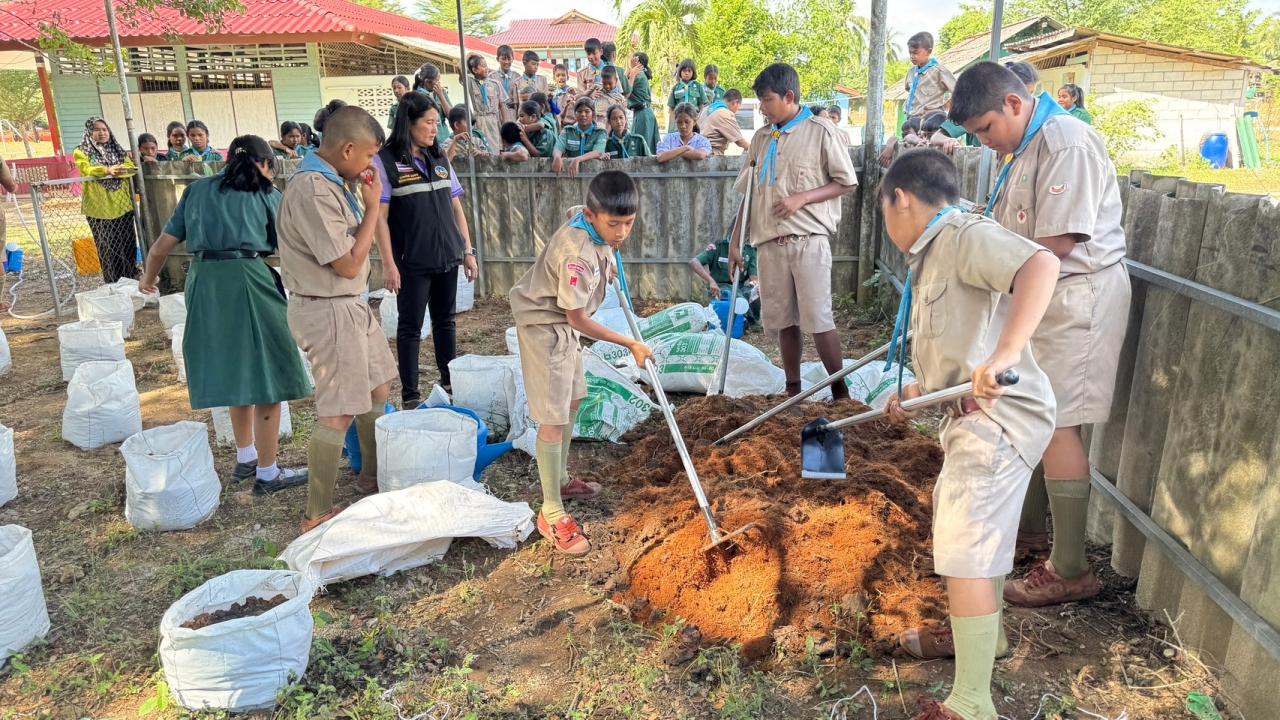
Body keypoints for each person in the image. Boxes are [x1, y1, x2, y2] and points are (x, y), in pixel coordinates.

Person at [880, 149, 1060, 720]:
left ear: (899, 199)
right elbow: (958, 346)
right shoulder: (933, 252)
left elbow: (1040, 265)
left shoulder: (963, 236)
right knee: (973, 536)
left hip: (999, 419)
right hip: (970, 416)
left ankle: (972, 703)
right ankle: (987, 639)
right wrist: (917, 393)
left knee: (966, 550)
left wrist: (1006, 355)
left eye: (885, 213)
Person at [950, 62, 1131, 609]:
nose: (984, 143)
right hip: (1037, 297)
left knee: (1058, 424)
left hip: (1076, 297)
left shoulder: (1065, 141)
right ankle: (1027, 533)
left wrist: (989, 270)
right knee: (1025, 408)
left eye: (985, 129)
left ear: (1012, 103)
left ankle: (1071, 568)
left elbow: (1056, 243)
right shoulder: (1023, 146)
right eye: (975, 136)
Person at [138, 134, 312, 494]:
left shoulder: (197, 191)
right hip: (248, 280)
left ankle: (246, 456)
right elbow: (296, 246)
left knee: (236, 369)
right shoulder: (265, 193)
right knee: (268, 374)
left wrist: (148, 280)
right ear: (266, 164)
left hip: (204, 284)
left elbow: (160, 247)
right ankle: (268, 473)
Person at [507, 170, 653, 555]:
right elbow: (578, 319)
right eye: (613, 224)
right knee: (553, 419)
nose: (622, 232)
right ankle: (551, 512)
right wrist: (630, 343)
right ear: (592, 216)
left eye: (628, 223)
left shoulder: (590, 224)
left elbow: (577, 212)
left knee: (573, 400)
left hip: (561, 325)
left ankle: (561, 479)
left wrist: (610, 249)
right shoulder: (577, 256)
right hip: (546, 326)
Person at [277, 106, 395, 533]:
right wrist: (372, 208)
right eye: (368, 156)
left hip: (349, 305)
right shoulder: (313, 189)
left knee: (378, 386)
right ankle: (316, 514)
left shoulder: (333, 182)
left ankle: (370, 477)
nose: (369, 166)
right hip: (327, 308)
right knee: (338, 412)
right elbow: (347, 263)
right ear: (347, 149)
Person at [730, 63, 857, 399]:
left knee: (819, 320)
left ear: (789, 96)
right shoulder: (760, 139)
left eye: (767, 100)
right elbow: (749, 195)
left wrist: (803, 198)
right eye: (760, 101)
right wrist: (734, 243)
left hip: (808, 242)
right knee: (784, 322)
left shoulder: (820, 131)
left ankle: (841, 393)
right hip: (770, 246)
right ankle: (793, 390)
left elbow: (846, 182)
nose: (762, 108)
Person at [375, 92, 478, 409]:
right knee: (410, 327)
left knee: (446, 321)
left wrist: (468, 250)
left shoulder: (439, 157)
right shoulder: (386, 161)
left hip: (447, 255)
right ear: (409, 122)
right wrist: (389, 264)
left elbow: (456, 207)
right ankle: (410, 395)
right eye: (429, 122)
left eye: (437, 122)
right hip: (412, 260)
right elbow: (379, 218)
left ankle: (449, 384)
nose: (435, 129)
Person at [73, 117, 139, 284]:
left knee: (127, 244)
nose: (102, 133)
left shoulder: (118, 150)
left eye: (104, 129)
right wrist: (107, 170)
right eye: (97, 130)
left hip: (122, 205)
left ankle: (130, 280)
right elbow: (87, 169)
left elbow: (131, 168)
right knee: (108, 248)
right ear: (89, 132)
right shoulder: (81, 151)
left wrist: (122, 169)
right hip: (99, 208)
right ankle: (113, 283)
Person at [689, 232, 760, 328]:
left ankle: (752, 323)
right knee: (734, 296)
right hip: (720, 287)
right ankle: (737, 323)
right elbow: (693, 262)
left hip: (740, 287)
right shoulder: (718, 247)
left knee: (757, 292)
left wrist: (757, 286)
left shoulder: (749, 250)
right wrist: (711, 281)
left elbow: (753, 276)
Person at [905, 31, 956, 120]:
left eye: (916, 53)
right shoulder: (911, 72)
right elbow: (908, 90)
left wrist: (947, 105)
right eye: (910, 53)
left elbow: (958, 91)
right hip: (911, 119)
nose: (912, 56)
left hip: (930, 120)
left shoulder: (939, 71)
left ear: (929, 51)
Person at [553, 98, 607, 177]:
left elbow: (598, 152)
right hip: (570, 177)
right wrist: (557, 157)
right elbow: (558, 147)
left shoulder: (600, 132)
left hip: (593, 176)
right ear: (575, 114)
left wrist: (578, 159)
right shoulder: (567, 131)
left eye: (587, 111)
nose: (583, 114)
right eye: (579, 111)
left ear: (593, 114)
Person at [464, 54, 502, 149]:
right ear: (474, 70)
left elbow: (502, 106)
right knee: (481, 147)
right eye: (483, 66)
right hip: (479, 120)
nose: (486, 68)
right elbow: (460, 68)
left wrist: (504, 124)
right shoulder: (470, 83)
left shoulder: (495, 84)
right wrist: (470, 55)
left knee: (495, 149)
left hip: (493, 120)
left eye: (486, 65)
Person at [627, 52, 660, 155]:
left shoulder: (638, 75)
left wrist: (631, 71)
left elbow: (625, 90)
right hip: (644, 113)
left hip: (643, 114)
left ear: (637, 62)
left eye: (632, 60)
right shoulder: (640, 74)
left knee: (642, 150)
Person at [698, 88, 748, 156]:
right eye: (738, 108)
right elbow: (740, 141)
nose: (736, 111)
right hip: (711, 155)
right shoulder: (725, 113)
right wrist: (753, 148)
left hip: (697, 152)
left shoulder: (705, 109)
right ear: (735, 103)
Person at [413, 64, 454, 145]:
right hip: (427, 139)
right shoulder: (417, 96)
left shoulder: (441, 92)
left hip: (444, 137)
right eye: (437, 80)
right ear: (427, 81)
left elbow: (451, 117)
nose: (439, 83)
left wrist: (441, 96)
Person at [668, 59, 707, 131]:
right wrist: (671, 127)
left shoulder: (698, 87)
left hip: (694, 121)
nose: (686, 73)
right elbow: (671, 109)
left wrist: (698, 119)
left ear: (693, 72)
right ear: (680, 72)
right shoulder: (675, 88)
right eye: (684, 71)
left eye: (689, 71)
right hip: (680, 122)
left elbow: (702, 106)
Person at [494, 45, 521, 126]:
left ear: (513, 59)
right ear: (497, 59)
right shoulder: (492, 77)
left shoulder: (518, 77)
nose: (506, 62)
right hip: (497, 115)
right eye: (503, 59)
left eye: (509, 59)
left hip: (513, 114)